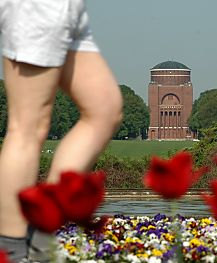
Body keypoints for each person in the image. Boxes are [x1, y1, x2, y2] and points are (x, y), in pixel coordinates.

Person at [0, 0, 123, 261]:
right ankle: (11, 250)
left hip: (68, 8)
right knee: (27, 126)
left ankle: (41, 232)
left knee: (105, 110)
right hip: (39, 6)